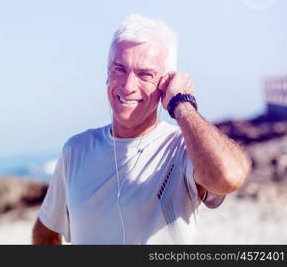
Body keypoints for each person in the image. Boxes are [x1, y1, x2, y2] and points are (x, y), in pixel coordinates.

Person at [32, 14, 251, 244]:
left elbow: (228, 177)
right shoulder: (76, 150)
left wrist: (182, 105)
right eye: (119, 69)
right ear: (107, 72)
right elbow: (45, 232)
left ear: (166, 82)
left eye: (145, 74)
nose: (128, 86)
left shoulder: (183, 149)